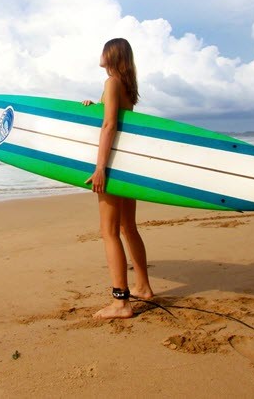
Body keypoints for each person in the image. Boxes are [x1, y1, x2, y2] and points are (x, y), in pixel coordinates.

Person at [83, 38, 154, 319]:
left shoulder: (111, 82)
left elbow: (110, 124)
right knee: (128, 228)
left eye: (103, 50)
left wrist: (100, 168)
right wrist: (93, 107)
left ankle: (121, 302)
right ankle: (143, 287)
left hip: (111, 165)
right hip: (127, 165)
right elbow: (113, 117)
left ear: (110, 54)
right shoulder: (125, 86)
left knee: (109, 232)